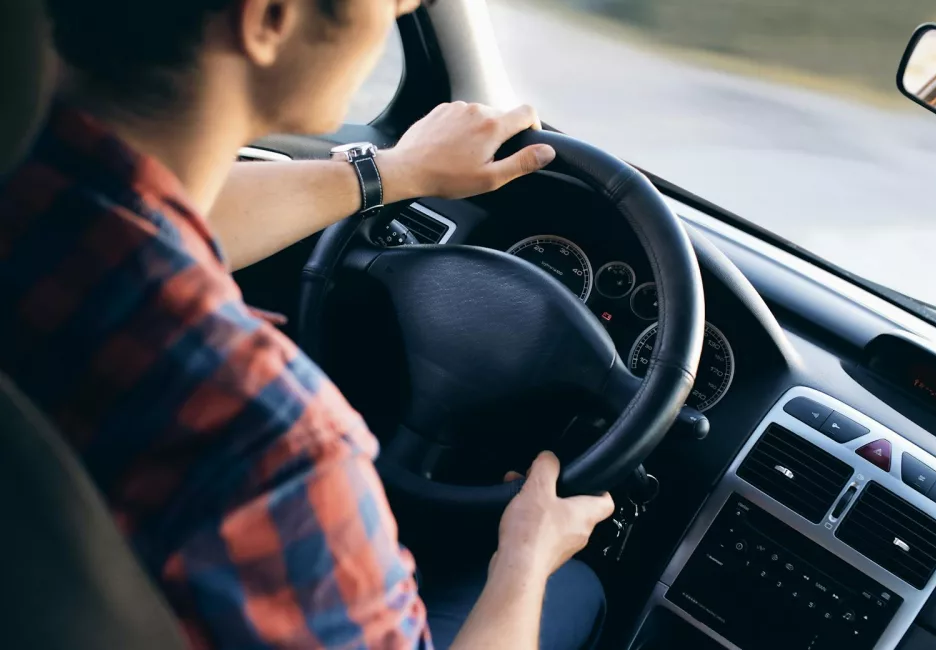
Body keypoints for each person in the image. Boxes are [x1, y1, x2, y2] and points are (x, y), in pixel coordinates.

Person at [0, 1, 615, 649]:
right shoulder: (267, 440)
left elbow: (160, 217)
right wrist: (525, 555)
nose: (404, 6)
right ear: (268, 17)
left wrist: (398, 172)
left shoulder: (36, 196)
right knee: (573, 590)